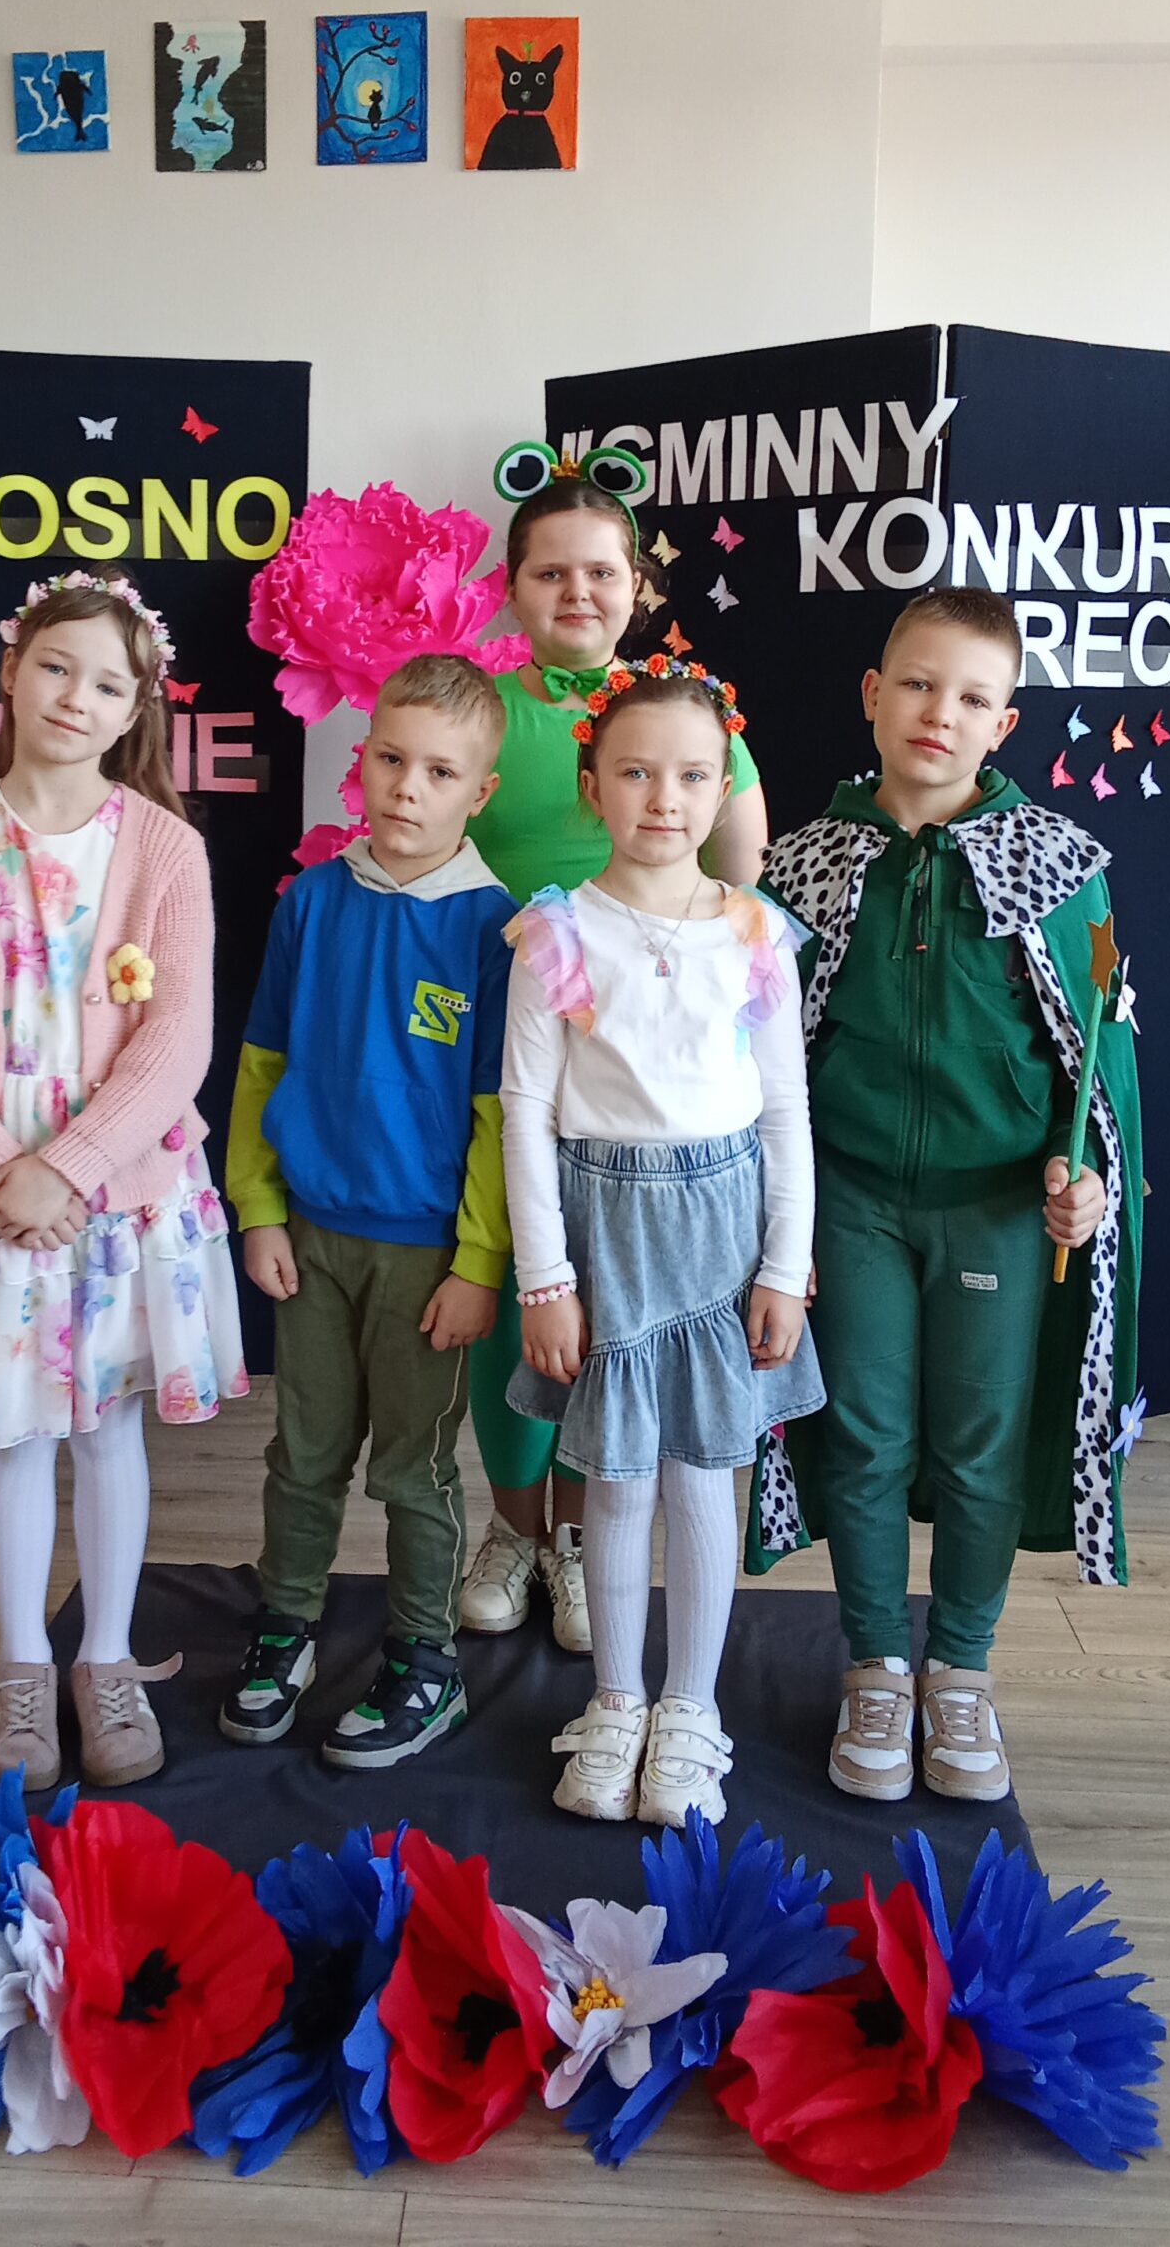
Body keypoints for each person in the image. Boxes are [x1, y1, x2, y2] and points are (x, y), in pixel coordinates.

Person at [760, 586, 1143, 1806]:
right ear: (874, 696)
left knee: (980, 1445)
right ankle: (878, 1663)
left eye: (973, 696)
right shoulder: (800, 868)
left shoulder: (1061, 869)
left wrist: (1087, 1175)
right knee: (865, 1434)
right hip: (854, 1202)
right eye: (919, 684)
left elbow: (1101, 1056)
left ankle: (961, 1671)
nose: (941, 712)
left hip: (998, 1210)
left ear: (1004, 724)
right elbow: (763, 1059)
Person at [0, 573, 247, 1793]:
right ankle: (24, 1665)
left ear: (137, 708)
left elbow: (177, 1036)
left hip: (118, 1193)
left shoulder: (166, 849)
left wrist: (73, 1166)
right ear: (12, 669)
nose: (77, 697)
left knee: (108, 1426)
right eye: (56, 667)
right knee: (20, 1432)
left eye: (108, 684)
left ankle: (108, 1657)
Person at [459, 444, 772, 1658]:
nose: (577, 591)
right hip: (504, 1035)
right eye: (551, 572)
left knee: (618, 1306)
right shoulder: (484, 706)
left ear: (638, 584)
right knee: (515, 1284)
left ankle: (589, 1538)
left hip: (641, 1072)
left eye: (601, 570)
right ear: (514, 587)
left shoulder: (690, 711)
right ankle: (515, 1529)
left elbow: (740, 881)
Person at [500, 658, 824, 1827]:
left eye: (692, 775)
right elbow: (526, 1115)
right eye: (636, 772)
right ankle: (618, 1696)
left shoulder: (755, 934)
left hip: (723, 1234)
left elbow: (784, 1109)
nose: (664, 798)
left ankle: (690, 1707)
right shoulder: (556, 933)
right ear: (592, 785)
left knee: (702, 1472)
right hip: (606, 1231)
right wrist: (545, 1279)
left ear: (722, 785)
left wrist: (784, 1262)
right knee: (617, 1475)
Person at [220, 655, 515, 1767]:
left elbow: (499, 1113)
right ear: (364, 758)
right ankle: (286, 1626)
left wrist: (479, 1260)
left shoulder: (494, 930)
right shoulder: (312, 903)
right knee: (302, 1452)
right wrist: (258, 1205)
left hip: (426, 1257)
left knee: (413, 1468)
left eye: (439, 771)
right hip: (309, 1238)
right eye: (392, 758)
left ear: (479, 791)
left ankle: (425, 1659)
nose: (407, 787)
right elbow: (261, 1064)